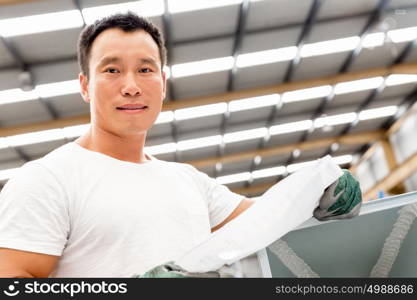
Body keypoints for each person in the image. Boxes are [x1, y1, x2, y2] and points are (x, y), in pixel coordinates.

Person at [0, 13, 361, 278]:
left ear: (163, 82)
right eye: (111, 70)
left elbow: (268, 217)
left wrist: (321, 192)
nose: (131, 86)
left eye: (145, 69)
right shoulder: (48, 179)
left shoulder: (188, 181)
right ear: (84, 85)